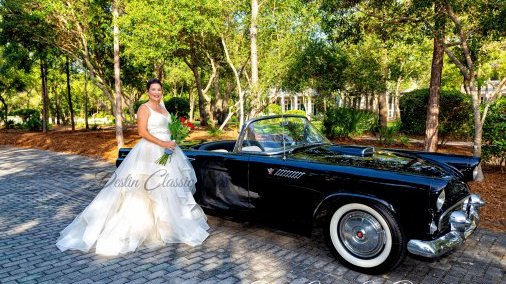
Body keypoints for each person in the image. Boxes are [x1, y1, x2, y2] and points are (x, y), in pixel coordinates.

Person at [56, 78, 209, 256]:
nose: (156, 93)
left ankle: (167, 227)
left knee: (168, 189)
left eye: (159, 90)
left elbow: (169, 128)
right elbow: (142, 132)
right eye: (153, 89)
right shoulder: (144, 108)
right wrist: (162, 143)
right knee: (146, 190)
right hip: (151, 151)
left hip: (169, 151)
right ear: (147, 91)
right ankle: (142, 227)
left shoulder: (163, 108)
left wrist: (174, 139)